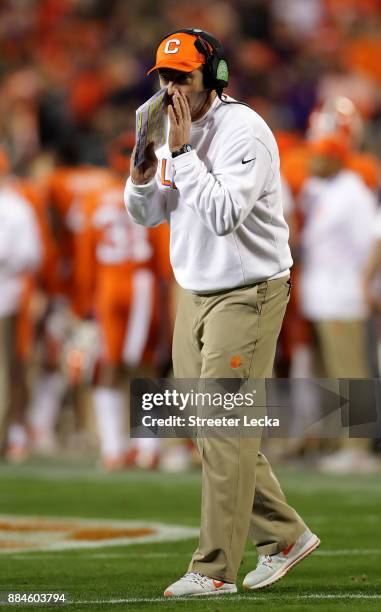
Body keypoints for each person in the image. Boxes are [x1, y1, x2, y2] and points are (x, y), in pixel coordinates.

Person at [124, 29, 319, 598]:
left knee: (222, 425)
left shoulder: (246, 130)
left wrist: (182, 154)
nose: (171, 88)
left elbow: (225, 215)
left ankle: (212, 571)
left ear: (214, 75)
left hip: (248, 291)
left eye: (182, 76)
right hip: (195, 291)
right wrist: (141, 169)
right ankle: (284, 536)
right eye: (164, 76)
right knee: (207, 427)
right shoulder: (165, 126)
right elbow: (150, 214)